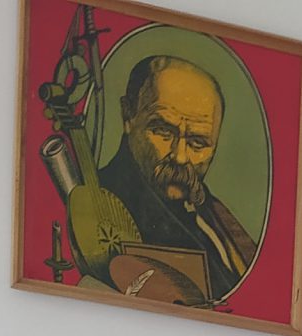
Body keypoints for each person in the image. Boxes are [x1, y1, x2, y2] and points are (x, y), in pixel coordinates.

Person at [88, 55, 259, 303]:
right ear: (128, 116)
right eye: (163, 131)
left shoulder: (211, 214)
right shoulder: (97, 208)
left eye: (197, 143)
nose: (180, 157)